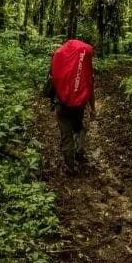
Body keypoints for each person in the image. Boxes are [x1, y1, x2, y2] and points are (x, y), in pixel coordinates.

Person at [44, 37, 96, 172]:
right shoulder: (84, 68)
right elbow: (90, 88)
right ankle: (79, 151)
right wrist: (93, 108)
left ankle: (70, 166)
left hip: (62, 105)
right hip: (79, 107)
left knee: (66, 135)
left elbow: (52, 82)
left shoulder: (58, 60)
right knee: (79, 128)